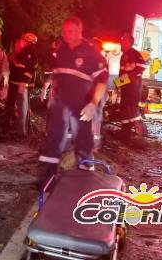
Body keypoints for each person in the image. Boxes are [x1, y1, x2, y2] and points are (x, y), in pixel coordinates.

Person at [36, 17, 108, 187]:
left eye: (70, 31)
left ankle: (84, 181)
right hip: (61, 103)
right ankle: (48, 178)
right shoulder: (61, 50)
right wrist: (53, 94)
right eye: (64, 31)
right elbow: (58, 75)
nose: (66, 35)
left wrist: (93, 104)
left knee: (83, 140)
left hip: (82, 104)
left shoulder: (91, 53)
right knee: (54, 138)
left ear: (79, 31)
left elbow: (102, 80)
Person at [8, 32, 38, 137]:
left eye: (22, 39)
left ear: (27, 41)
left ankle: (22, 132)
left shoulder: (28, 52)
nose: (20, 41)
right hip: (23, 83)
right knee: (23, 107)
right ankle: (24, 130)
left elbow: (28, 69)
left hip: (23, 84)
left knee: (23, 108)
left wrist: (23, 82)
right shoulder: (26, 52)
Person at [117, 33, 146, 138]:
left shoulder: (135, 53)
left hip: (133, 86)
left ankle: (141, 130)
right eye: (121, 39)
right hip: (126, 86)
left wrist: (130, 77)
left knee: (132, 107)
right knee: (124, 106)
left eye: (123, 39)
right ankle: (125, 131)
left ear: (129, 42)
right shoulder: (123, 55)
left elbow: (142, 67)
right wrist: (118, 84)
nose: (121, 41)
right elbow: (122, 72)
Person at [39, 37, 62, 105]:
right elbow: (46, 60)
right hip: (50, 71)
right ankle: (42, 99)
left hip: (56, 72)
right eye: (56, 43)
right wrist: (46, 67)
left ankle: (49, 103)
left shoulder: (60, 52)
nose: (55, 44)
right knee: (45, 86)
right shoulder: (49, 51)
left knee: (52, 88)